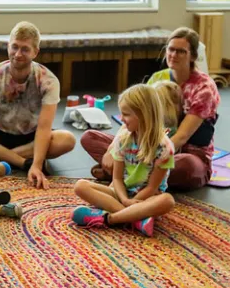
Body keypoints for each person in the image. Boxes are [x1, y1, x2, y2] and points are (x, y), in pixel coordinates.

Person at [80, 27, 220, 190]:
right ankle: (134, 175)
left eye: (181, 51)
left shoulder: (204, 88)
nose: (173, 55)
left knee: (186, 166)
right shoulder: (157, 78)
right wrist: (113, 149)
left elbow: (181, 136)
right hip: (141, 148)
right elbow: (134, 116)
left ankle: (123, 173)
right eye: (171, 49)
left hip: (182, 154)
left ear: (193, 56)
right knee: (89, 137)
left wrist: (150, 158)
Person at [0, 21, 76, 189]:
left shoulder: (48, 81)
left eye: (25, 49)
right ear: (8, 46)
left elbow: (44, 127)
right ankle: (21, 162)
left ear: (35, 52)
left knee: (67, 140)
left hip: (31, 137)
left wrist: (36, 166)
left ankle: (3, 159)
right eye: (14, 47)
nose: (18, 54)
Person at [72, 84, 176, 237]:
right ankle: (135, 219)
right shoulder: (123, 139)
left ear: (143, 114)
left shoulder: (164, 148)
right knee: (80, 186)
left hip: (147, 198)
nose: (121, 119)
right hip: (122, 193)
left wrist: (133, 201)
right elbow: (117, 178)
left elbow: (152, 187)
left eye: (126, 114)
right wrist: (125, 200)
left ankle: (109, 218)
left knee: (167, 201)